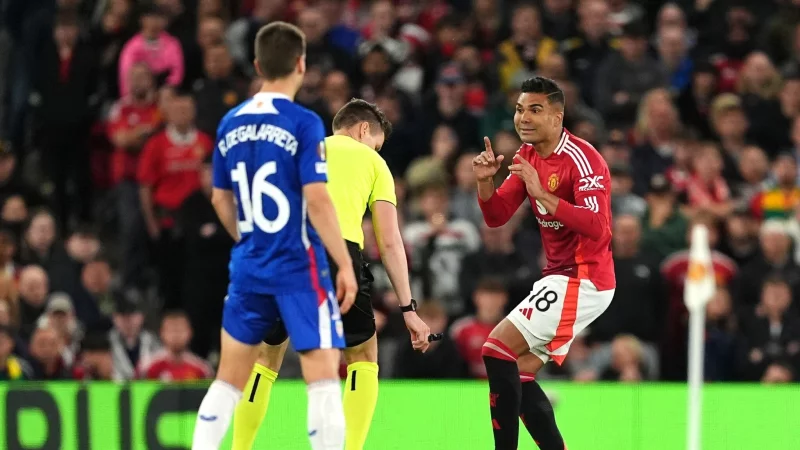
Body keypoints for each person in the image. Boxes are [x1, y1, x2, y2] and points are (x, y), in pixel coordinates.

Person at [191, 22, 357, 450]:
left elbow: (219, 197)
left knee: (227, 382)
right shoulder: (303, 122)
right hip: (299, 266)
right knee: (323, 380)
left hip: (249, 266)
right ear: (301, 64)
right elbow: (317, 199)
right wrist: (343, 263)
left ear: (258, 65)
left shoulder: (229, 122)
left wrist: (247, 239)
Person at [232, 99, 432, 450]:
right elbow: (389, 241)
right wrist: (408, 309)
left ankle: (238, 446)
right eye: (376, 144)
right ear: (364, 129)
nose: (376, 150)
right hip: (335, 252)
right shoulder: (373, 162)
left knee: (264, 360)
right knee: (362, 356)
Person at [473, 76, 615, 450]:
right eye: (520, 109)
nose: (524, 118)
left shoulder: (584, 159)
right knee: (518, 372)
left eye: (535, 110)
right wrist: (486, 183)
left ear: (557, 117)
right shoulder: (527, 155)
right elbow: (496, 216)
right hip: (559, 277)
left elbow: (598, 227)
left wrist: (543, 195)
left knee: (496, 349)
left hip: (585, 278)